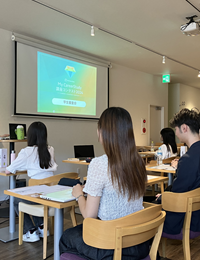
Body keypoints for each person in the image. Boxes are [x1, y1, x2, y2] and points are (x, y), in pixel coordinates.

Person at [59, 107, 149, 259]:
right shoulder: (138, 162)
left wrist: (79, 195)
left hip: (110, 245)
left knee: (66, 237)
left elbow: (89, 216)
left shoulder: (99, 164)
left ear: (103, 132)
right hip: (139, 243)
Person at [161, 108, 200, 236]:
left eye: (176, 129)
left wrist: (163, 197)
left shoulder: (188, 159)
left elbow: (177, 194)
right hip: (198, 215)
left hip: (184, 219)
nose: (176, 133)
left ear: (184, 128)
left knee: (145, 217)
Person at [6, 121, 57, 242]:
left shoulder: (26, 151)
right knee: (33, 195)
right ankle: (42, 226)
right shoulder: (50, 149)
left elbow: (9, 170)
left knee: (16, 199)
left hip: (37, 197)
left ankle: (30, 231)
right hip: (51, 195)